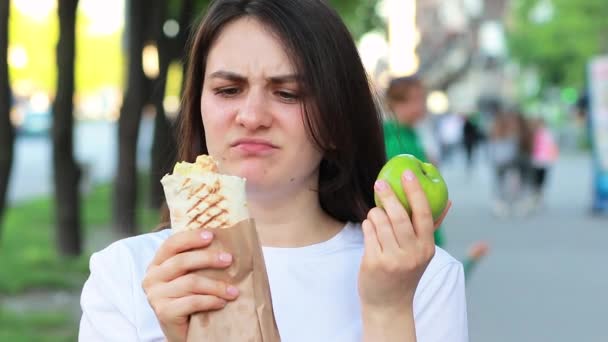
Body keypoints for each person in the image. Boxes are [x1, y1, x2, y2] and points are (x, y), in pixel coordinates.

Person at [79, 1, 468, 341]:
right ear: (198, 107)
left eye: (288, 93)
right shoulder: (130, 278)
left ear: (337, 118)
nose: (251, 117)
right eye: (228, 90)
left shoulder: (417, 277)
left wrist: (388, 311)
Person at [382, 76, 446, 247]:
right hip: (414, 237)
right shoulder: (396, 142)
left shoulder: (412, 134)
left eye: (423, 98)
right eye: (416, 99)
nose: (422, 105)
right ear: (396, 103)